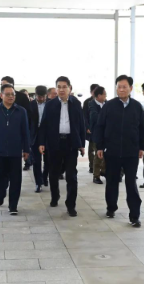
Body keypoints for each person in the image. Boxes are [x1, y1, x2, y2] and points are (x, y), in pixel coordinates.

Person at [95, 74, 144, 227]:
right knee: (112, 181)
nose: (122, 89)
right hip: (112, 151)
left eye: (125, 87)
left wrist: (142, 147)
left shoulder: (137, 106)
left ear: (130, 88)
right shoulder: (109, 106)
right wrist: (100, 146)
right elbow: (100, 126)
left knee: (131, 184)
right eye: (119, 87)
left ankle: (134, 216)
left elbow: (143, 128)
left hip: (131, 152)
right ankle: (111, 208)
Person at [38, 75, 85, 217]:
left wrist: (82, 144)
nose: (62, 89)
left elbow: (81, 124)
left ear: (69, 88)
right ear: (56, 89)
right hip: (54, 143)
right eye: (59, 87)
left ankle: (71, 205)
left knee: (71, 176)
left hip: (71, 144)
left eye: (64, 87)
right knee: (53, 173)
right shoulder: (50, 105)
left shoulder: (76, 103)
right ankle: (55, 196)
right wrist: (41, 142)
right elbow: (44, 125)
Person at [0, 82, 30, 215]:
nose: (11, 97)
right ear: (1, 95)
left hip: (15, 151)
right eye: (8, 94)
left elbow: (25, 131)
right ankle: (1, 194)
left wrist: (26, 149)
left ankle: (13, 205)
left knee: (16, 179)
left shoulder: (21, 111)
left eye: (13, 94)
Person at [30, 85, 49, 192]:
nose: (41, 99)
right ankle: (38, 182)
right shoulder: (30, 105)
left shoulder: (51, 104)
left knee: (48, 160)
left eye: (43, 97)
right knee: (36, 161)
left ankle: (44, 177)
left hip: (47, 135)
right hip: (35, 136)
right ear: (35, 95)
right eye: (39, 96)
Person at [89, 86, 107, 184]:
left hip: (107, 134)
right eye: (104, 94)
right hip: (97, 134)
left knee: (106, 154)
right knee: (98, 155)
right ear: (99, 95)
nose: (106, 96)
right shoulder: (92, 104)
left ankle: (104, 171)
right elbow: (94, 117)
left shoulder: (107, 104)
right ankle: (96, 176)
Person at [83, 83, 99, 173]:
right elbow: (84, 116)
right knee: (91, 148)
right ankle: (92, 165)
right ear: (91, 92)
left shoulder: (104, 101)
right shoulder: (87, 102)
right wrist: (87, 126)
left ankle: (99, 166)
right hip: (91, 128)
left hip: (99, 128)